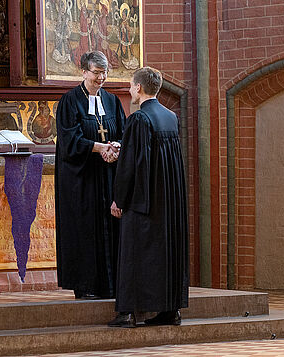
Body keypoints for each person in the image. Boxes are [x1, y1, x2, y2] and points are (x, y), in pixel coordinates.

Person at [108, 67, 189, 328]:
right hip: (169, 200)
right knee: (166, 252)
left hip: (143, 200)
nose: (131, 90)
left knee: (133, 252)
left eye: (132, 86)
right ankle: (171, 310)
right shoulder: (170, 118)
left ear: (139, 88)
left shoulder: (140, 119)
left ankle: (127, 313)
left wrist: (120, 199)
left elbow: (132, 164)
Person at [55, 51, 126, 299]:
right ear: (83, 71)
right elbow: (70, 141)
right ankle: (86, 287)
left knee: (112, 228)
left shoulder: (112, 101)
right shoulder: (70, 101)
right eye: (96, 73)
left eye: (104, 73)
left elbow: (122, 132)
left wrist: (116, 147)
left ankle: (112, 285)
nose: (101, 78)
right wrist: (100, 148)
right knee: (86, 230)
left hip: (108, 177)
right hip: (82, 180)